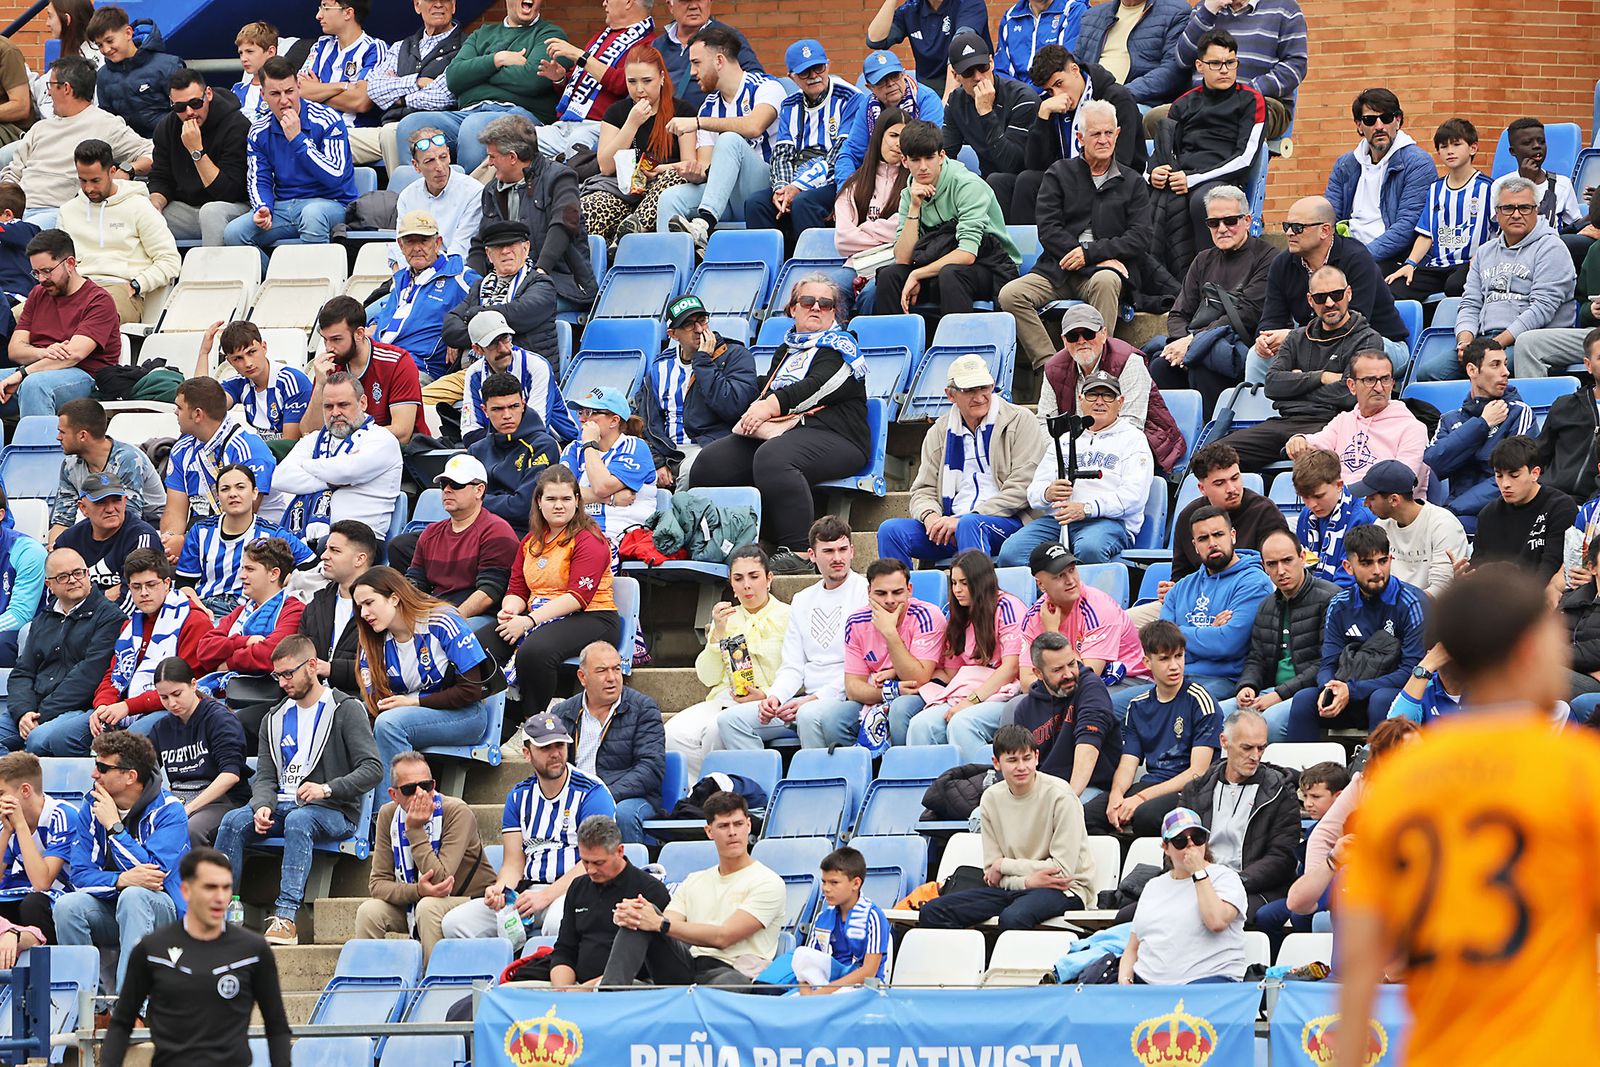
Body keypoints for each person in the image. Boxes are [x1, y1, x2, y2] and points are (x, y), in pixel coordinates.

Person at [1333, 567, 1600, 1067]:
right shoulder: (1575, 770)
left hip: (1444, 1051)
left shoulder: (1399, 780)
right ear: (1527, 650)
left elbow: (1362, 955)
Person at [215, 633, 383, 946]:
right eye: (277, 675)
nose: (282, 683)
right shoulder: (273, 717)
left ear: (311, 666)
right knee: (234, 821)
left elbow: (372, 770)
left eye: (288, 674)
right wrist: (262, 804)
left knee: (299, 820)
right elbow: (265, 776)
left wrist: (327, 789)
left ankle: (286, 917)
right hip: (284, 805)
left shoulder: (345, 709)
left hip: (333, 810)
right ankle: (220, 917)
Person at [690, 277, 870, 566]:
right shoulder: (787, 349)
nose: (816, 308)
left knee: (773, 458)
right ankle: (730, 540)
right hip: (787, 432)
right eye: (808, 302)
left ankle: (799, 551)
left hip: (838, 437)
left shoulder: (843, 349)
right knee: (712, 463)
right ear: (792, 309)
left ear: (834, 313)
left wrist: (769, 407)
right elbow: (764, 389)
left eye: (826, 304)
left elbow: (817, 386)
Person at [98, 847, 292, 1067]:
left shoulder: (254, 951)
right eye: (210, 888)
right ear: (187, 890)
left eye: (226, 887)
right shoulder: (152, 950)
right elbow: (122, 1024)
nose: (220, 897)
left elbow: (276, 1026)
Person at [441, 712, 616, 940]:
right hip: (528, 891)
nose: (555, 753)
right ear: (527, 753)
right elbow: (513, 862)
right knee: (455, 924)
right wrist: (500, 890)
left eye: (560, 745)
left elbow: (593, 863)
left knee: (558, 924)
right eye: (545, 747)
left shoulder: (592, 792)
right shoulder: (519, 796)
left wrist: (545, 897)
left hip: (578, 890)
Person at [29, 548, 219, 757]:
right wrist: (103, 706)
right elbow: (113, 674)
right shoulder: (130, 625)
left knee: (131, 742)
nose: (144, 593)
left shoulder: (193, 621)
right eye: (136, 587)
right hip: (124, 707)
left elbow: (185, 688)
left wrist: (128, 707)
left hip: (170, 708)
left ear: (166, 584)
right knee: (58, 739)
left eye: (151, 585)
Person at [998, 99, 1152, 354]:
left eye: (1108, 133)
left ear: (1118, 134)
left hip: (1101, 274)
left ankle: (1098, 366)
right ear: (1080, 137)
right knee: (1010, 294)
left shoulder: (1132, 181)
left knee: (1106, 281)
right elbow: (1048, 230)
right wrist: (1084, 256)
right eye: (1095, 134)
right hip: (1058, 269)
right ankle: (1050, 366)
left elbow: (1140, 237)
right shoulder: (1058, 173)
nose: (1103, 140)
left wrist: (1091, 255)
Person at [477, 465, 623, 725]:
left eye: (566, 499)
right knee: (479, 643)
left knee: (535, 651)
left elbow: (578, 596)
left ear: (577, 501)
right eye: (551, 499)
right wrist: (510, 610)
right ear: (539, 501)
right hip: (539, 615)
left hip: (592, 616)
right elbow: (517, 588)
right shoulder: (531, 541)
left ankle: (534, 721)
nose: (559, 506)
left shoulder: (590, 539)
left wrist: (528, 621)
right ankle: (497, 719)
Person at [599, 789, 785, 985]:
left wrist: (660, 924)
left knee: (730, 981)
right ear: (709, 832)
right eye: (723, 826)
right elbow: (664, 922)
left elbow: (724, 937)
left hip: (733, 970)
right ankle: (611, 993)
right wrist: (640, 916)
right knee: (641, 912)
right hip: (688, 965)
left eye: (738, 824)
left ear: (748, 826)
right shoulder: (695, 880)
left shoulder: (768, 882)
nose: (732, 832)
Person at [881, 353, 1045, 568]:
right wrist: (930, 517)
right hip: (951, 523)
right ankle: (903, 599)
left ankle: (979, 600)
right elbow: (923, 490)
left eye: (984, 388)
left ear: (993, 385)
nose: (979, 397)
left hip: (1007, 521)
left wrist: (966, 519)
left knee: (970, 524)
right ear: (950, 395)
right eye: (969, 390)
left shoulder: (1021, 420)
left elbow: (1023, 486)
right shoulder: (939, 431)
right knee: (890, 531)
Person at [920, 724, 1093, 929]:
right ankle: (977, 960)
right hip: (1014, 889)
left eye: (1027, 758)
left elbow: (1062, 872)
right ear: (997, 763)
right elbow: (991, 876)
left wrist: (1004, 866)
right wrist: (1026, 882)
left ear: (1037, 757)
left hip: (1066, 890)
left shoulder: (1061, 795)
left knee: (1013, 918)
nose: (1021, 767)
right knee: (932, 912)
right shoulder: (991, 799)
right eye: (1012, 760)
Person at [55, 730, 188, 992]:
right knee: (67, 906)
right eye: (96, 765)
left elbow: (154, 876)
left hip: (165, 913)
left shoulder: (170, 811)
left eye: (103, 768)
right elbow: (80, 875)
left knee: (135, 896)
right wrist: (119, 880)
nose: (94, 774)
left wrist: (115, 827)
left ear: (130, 776)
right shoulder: (92, 806)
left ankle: (132, 1006)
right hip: (113, 907)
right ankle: (92, 1006)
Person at [716, 517, 866, 748]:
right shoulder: (802, 599)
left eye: (842, 549)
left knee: (807, 716)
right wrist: (775, 697)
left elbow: (863, 667)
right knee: (731, 721)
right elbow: (793, 666)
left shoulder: (866, 592)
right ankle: (758, 783)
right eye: (828, 551)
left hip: (846, 697)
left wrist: (814, 699)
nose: (837, 558)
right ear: (812, 555)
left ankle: (815, 782)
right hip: (804, 700)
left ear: (852, 551)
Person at [1415, 175, 1578, 383]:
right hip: (1484, 340)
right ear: (1497, 214)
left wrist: (1496, 344)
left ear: (1536, 210)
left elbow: (1542, 309)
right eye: (1508, 208)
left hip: (1528, 343)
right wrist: (1465, 340)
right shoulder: (1484, 252)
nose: (1517, 214)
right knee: (1429, 373)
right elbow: (1470, 303)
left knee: (1488, 372)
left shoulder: (1551, 248)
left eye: (1525, 208)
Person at [1217, 265, 1381, 472]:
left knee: (1316, 465)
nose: (1330, 303)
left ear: (1348, 294)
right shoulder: (1296, 337)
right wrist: (1320, 377)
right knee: (1215, 457)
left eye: (1336, 295)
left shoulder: (1367, 339)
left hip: (1334, 423)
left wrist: (1296, 385)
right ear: (1311, 301)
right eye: (1321, 298)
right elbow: (1273, 385)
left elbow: (1350, 395)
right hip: (1285, 422)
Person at [351, 567, 497, 795]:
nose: (364, 613)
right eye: (359, 607)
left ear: (394, 598)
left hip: (465, 714)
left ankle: (397, 816)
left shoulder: (442, 621)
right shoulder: (372, 643)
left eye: (369, 602)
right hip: (407, 718)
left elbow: (471, 691)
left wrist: (415, 702)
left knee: (389, 725)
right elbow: (376, 703)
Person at [1283, 524, 1425, 741]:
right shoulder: (1339, 604)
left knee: (1380, 699)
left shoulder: (1410, 603)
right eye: (1367, 563)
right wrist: (1330, 688)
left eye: (1382, 561)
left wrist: (1354, 690)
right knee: (1304, 699)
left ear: (1391, 560)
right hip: (1349, 693)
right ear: (1348, 567)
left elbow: (1410, 671)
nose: (1377, 570)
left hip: (1391, 695)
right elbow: (1328, 663)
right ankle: (1300, 774)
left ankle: (1377, 771)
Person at [1001, 369, 1154, 568]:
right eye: (1092, 395)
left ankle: (1090, 599)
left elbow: (1133, 497)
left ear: (1121, 402)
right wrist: (1048, 493)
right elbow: (1033, 493)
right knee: (1011, 553)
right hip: (1059, 521)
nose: (1100, 401)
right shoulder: (1064, 440)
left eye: (1108, 395)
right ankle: (1046, 598)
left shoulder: (1134, 440)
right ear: (1081, 399)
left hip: (1107, 522)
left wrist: (1086, 509)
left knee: (1090, 549)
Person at [1146, 184, 1277, 412]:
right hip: (1195, 349)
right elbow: (1178, 314)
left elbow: (1245, 315)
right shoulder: (1203, 259)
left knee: (1203, 367)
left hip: (1238, 350)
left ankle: (1212, 439)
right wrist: (1185, 344)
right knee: (1160, 366)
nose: (1222, 228)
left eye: (1230, 221)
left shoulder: (1268, 257)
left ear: (1247, 220)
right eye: (1214, 223)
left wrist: (1193, 344)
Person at [1083, 620, 1219, 838]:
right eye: (1164, 659)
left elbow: (1198, 772)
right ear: (1147, 661)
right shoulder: (1138, 706)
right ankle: (1120, 860)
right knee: (1088, 816)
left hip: (1189, 791)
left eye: (1179, 656)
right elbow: (1128, 764)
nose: (1174, 666)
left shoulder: (1200, 700)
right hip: (1152, 784)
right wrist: (1116, 795)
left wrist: (1142, 798)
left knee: (1146, 815)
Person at [356, 750, 495, 963]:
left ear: (434, 785)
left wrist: (414, 830)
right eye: (410, 789)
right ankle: (371, 986)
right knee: (369, 912)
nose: (420, 794)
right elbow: (377, 884)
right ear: (394, 795)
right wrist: (417, 890)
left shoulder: (457, 811)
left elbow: (442, 880)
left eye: (426, 786)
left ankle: (431, 986)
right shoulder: (388, 814)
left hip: (469, 900)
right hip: (419, 898)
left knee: (428, 907)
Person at [395, 0, 567, 172]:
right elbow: (454, 77)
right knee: (411, 124)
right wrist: (496, 60)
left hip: (520, 115)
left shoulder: (550, 34)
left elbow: (532, 80)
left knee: (475, 126)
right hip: (468, 113)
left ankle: (470, 196)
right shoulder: (483, 33)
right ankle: (418, 195)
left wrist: (477, 73)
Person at [874, 119, 1020, 317]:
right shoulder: (909, 194)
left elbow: (967, 254)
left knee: (951, 273)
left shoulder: (967, 185)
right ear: (905, 162)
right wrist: (914, 207)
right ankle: (894, 344)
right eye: (916, 160)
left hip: (990, 266)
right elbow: (903, 258)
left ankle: (959, 346)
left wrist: (918, 274)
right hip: (939, 263)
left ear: (941, 156)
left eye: (929, 158)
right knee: (890, 276)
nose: (923, 167)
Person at [1253, 196, 1411, 378]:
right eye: (1286, 226)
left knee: (1349, 353)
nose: (1289, 233)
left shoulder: (1357, 259)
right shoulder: (1282, 264)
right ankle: (1261, 406)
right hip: (1314, 344)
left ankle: (1320, 403)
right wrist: (1265, 340)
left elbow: (1351, 325)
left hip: (1375, 343)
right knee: (1257, 357)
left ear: (1325, 230)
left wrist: (1294, 337)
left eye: (1298, 228)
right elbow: (1271, 317)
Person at [656, 26, 784, 249]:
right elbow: (707, 166)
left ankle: (703, 224)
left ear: (719, 60)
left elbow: (754, 126)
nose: (692, 72)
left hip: (765, 190)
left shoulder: (766, 86)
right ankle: (672, 270)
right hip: (725, 196)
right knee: (670, 198)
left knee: (730, 139)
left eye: (696, 63)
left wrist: (697, 123)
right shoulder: (709, 107)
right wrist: (696, 173)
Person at [667, 545, 789, 777]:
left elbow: (798, 672)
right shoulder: (726, 618)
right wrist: (717, 635)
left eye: (754, 576)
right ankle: (699, 791)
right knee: (673, 734)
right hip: (725, 698)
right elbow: (707, 677)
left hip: (772, 700)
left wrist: (766, 694)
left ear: (769, 578)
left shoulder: (789, 615)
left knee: (717, 729)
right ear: (731, 584)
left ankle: (728, 791)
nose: (747, 585)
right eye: (738, 578)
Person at [1148, 30, 1266, 268]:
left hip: (1224, 181)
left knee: (1204, 201)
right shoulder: (1183, 104)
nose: (1224, 69)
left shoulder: (1252, 101)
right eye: (1216, 63)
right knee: (1151, 201)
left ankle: (1211, 283)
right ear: (1200, 66)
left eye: (1230, 62)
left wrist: (1193, 179)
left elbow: (1245, 158)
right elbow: (1164, 150)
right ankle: (1163, 287)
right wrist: (1152, 174)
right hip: (1182, 179)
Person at [224, 56, 357, 261]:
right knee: (234, 234)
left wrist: (297, 140)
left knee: (313, 215)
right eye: (275, 94)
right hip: (284, 206)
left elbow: (335, 176)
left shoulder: (327, 120)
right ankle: (274, 283)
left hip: (332, 203)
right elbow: (259, 178)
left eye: (289, 91)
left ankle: (316, 286)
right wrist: (262, 207)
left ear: (298, 87)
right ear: (263, 95)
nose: (284, 100)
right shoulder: (259, 130)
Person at [737, 41, 860, 255]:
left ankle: (813, 267)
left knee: (804, 202)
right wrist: (781, 189)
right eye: (804, 72)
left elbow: (840, 155)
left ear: (828, 66)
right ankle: (773, 273)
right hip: (795, 179)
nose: (814, 76)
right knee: (755, 203)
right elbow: (782, 155)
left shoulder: (850, 98)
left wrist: (798, 187)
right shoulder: (790, 104)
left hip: (835, 179)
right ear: (792, 76)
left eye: (818, 68)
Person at [808, 557, 942, 752]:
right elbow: (853, 687)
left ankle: (897, 773)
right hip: (882, 694)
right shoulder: (856, 622)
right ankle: (860, 773)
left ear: (910, 590)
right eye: (881, 593)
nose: (889, 600)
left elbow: (918, 678)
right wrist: (889, 692)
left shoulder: (928, 615)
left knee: (900, 709)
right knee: (833, 719)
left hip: (921, 694)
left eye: (897, 592)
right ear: (869, 592)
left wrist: (890, 633)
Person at [1177, 708, 1300, 919]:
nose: (1255, 756)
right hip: (1198, 881)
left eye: (1261, 748)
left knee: (1203, 917)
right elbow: (1176, 844)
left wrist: (1232, 881)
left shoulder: (1280, 790)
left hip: (1252, 887)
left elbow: (1282, 857)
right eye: (1247, 748)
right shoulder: (1195, 790)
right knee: (1132, 915)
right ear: (1224, 742)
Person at [1034, 304, 1187, 471]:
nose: (1081, 341)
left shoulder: (1129, 361)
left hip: (1137, 443)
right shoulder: (1053, 368)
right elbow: (1044, 422)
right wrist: (1061, 454)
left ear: (1104, 334)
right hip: (1072, 451)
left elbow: (1131, 423)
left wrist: (1088, 455)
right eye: (1072, 336)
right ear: (1064, 341)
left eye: (1088, 333)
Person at [903, 552, 1026, 756]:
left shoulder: (1008, 607)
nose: (957, 590)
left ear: (981, 582)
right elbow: (953, 675)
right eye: (953, 583)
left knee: (961, 723)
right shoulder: (958, 615)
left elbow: (1011, 668)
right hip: (968, 693)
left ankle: (978, 785)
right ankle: (932, 787)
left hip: (1006, 694)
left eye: (964, 583)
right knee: (920, 725)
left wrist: (971, 701)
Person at [1, 547, 121, 755]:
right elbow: (23, 672)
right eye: (63, 576)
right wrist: (24, 712)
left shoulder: (110, 617)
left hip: (78, 708)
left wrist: (41, 714)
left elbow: (88, 676)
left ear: (88, 574)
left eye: (78, 573)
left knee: (38, 740)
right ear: (49, 584)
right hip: (33, 708)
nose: (73, 580)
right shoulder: (43, 619)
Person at [470, 114, 597, 310]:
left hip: (560, 283)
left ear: (512, 157)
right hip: (505, 284)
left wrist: (539, 272)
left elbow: (563, 226)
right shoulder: (492, 190)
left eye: (493, 156)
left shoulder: (560, 177)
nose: (489, 163)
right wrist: (473, 284)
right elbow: (481, 242)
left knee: (504, 314)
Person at [0, 56, 152, 218]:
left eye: (50, 85)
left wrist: (127, 170)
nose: (48, 93)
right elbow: (13, 174)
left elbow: (151, 152)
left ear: (66, 88)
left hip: (58, 213)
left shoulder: (106, 124)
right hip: (15, 213)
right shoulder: (40, 128)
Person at [1227, 527, 1338, 743]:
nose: (1281, 570)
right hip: (1269, 692)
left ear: (1302, 557)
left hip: (1308, 693)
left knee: (1271, 722)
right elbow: (1256, 658)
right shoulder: (1266, 606)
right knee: (1218, 714)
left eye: (1287, 560)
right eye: (1272, 564)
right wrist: (1247, 686)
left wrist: (1279, 695)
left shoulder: (1331, 598)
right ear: (1264, 567)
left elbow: (1327, 663)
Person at [578, 46, 697, 247]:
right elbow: (606, 166)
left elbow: (688, 163)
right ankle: (602, 252)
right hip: (622, 191)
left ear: (661, 78)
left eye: (647, 81)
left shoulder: (682, 111)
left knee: (674, 177)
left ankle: (621, 242)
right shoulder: (617, 112)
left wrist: (660, 169)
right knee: (588, 208)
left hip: (660, 191)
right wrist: (632, 124)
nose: (639, 89)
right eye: (632, 82)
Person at [638, 294, 758, 487]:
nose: (699, 329)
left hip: (712, 448)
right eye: (688, 324)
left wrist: (703, 362)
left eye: (702, 320)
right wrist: (657, 461)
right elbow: (647, 422)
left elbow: (733, 407)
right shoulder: (659, 368)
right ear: (673, 334)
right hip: (668, 451)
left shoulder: (736, 356)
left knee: (690, 470)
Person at [551, 641, 665, 844]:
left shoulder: (643, 708)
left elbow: (650, 768)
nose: (612, 678)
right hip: (577, 796)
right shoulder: (563, 713)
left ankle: (632, 873)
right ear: (582, 677)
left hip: (629, 797)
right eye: (602, 671)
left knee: (624, 814)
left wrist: (603, 795)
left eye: (616, 669)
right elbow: (555, 766)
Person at [194, 537, 309, 738]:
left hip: (263, 701)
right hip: (222, 695)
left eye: (250, 569)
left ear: (274, 574)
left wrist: (228, 663)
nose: (241, 576)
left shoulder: (293, 608)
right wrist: (243, 641)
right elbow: (204, 649)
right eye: (242, 569)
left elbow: (272, 654)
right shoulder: (240, 611)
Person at [1118, 806, 1247, 984]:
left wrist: (1198, 873)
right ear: (1165, 847)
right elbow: (1133, 947)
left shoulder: (1225, 877)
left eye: (1197, 837)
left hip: (1208, 983)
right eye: (1180, 841)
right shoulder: (1154, 886)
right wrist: (1125, 980)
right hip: (1147, 986)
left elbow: (1216, 922)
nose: (1191, 844)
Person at [0, 229, 121, 417]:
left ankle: (39, 446)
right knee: (33, 382)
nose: (41, 279)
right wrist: (42, 352)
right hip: (39, 368)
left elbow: (73, 355)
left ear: (70, 263)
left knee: (35, 385)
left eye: (47, 271)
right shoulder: (37, 294)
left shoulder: (98, 300)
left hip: (86, 376)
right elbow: (15, 350)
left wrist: (22, 374)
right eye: (36, 272)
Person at [1158, 505, 1275, 700]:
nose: (1212, 543)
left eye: (1218, 535)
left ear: (1233, 536)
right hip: (1176, 677)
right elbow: (1163, 643)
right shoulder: (1181, 588)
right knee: (1110, 705)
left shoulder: (1254, 582)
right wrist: (1211, 632)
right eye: (1203, 539)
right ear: (1195, 546)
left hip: (1224, 680)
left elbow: (1227, 643)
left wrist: (1178, 632)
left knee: (1178, 706)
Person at [275, 371, 405, 546]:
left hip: (361, 541)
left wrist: (304, 465)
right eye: (328, 406)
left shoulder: (382, 439)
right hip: (309, 536)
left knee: (322, 547)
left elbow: (347, 471)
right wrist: (330, 480)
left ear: (363, 403)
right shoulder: (313, 439)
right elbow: (280, 478)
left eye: (343, 405)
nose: (335, 413)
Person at [1019, 542, 1150, 711]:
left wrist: (1053, 633)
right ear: (1041, 585)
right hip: (1066, 687)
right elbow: (1026, 681)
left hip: (1129, 680)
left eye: (1072, 570)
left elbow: (1086, 677)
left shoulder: (1100, 608)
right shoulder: (1034, 617)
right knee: (1016, 708)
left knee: (1078, 709)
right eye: (1059, 576)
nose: (1070, 581)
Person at [544, 814, 672, 987]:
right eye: (585, 862)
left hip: (628, 983)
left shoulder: (650, 891)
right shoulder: (578, 886)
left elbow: (649, 960)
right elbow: (565, 948)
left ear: (620, 851)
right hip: (575, 984)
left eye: (598, 863)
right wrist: (563, 990)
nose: (590, 870)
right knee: (510, 991)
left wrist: (586, 989)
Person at [438, 215, 562, 388]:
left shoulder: (541, 283)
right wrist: (483, 329)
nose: (505, 251)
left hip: (519, 374)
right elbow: (450, 327)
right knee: (418, 401)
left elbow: (516, 315)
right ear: (489, 254)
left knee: (420, 401)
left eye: (511, 245)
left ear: (526, 249)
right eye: (498, 247)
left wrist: (474, 317)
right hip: (473, 372)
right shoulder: (480, 285)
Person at [159, 377, 277, 555]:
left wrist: (186, 542)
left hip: (251, 543)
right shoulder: (181, 449)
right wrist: (171, 542)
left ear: (198, 414)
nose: (176, 412)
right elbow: (174, 510)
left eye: (180, 408)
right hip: (198, 536)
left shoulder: (249, 448)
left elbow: (242, 516)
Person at [1324, 89, 1437, 273]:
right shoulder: (1345, 164)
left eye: (1386, 118)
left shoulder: (1417, 163)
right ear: (1359, 126)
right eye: (1370, 120)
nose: (1379, 126)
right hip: (1348, 255)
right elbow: (1328, 217)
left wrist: (1358, 258)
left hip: (1395, 259)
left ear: (1398, 121)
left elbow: (1407, 226)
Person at [397, 456, 521, 622]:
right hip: (436, 612)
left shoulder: (496, 531)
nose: (447, 490)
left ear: (479, 490)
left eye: (456, 484)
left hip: (478, 617)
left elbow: (489, 591)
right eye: (443, 484)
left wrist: (449, 620)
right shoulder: (430, 533)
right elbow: (415, 582)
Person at [1425, 339, 1535, 526]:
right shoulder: (1449, 420)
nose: (1506, 372)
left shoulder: (1519, 413)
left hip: (1504, 515)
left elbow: (1515, 475)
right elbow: (1433, 463)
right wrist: (1482, 424)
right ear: (1472, 370)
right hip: (1457, 518)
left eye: (1505, 364)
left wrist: (1452, 510)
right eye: (1495, 365)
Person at [1385, 118, 1495, 304]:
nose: (1449, 151)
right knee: (1393, 288)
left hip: (1470, 265)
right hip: (1437, 267)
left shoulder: (1488, 188)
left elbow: (1500, 233)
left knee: (1454, 286)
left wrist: (1484, 256)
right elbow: (1426, 234)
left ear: (1473, 148)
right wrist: (1410, 264)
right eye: (1443, 147)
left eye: (1456, 144)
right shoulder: (1435, 188)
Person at [175, 465, 311, 614]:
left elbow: (312, 566)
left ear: (254, 493)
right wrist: (199, 611)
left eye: (240, 487)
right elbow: (184, 582)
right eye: (225, 489)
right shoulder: (201, 530)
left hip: (247, 611)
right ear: (218, 497)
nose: (233, 494)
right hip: (203, 607)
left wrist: (285, 579)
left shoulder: (272, 534)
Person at [1285, 351, 1427, 490]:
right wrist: (1299, 440)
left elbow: (1403, 482)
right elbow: (1315, 444)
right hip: (1342, 503)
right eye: (1370, 380)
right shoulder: (1343, 421)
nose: (1379, 388)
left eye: (1385, 379)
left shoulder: (1412, 427)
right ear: (1352, 386)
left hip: (1386, 507)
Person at [146, 658, 251, 847]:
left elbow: (230, 775)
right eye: (164, 698)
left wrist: (188, 809)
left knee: (189, 829)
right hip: (181, 799)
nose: (172, 703)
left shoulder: (219, 719)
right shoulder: (162, 728)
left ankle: (199, 877)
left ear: (194, 685)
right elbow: (145, 773)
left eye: (177, 694)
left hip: (223, 801)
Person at [759, 844, 888, 993]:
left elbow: (869, 971)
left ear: (856, 883)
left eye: (834, 883)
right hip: (825, 986)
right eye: (824, 882)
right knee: (799, 954)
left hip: (863, 990)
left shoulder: (873, 916)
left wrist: (823, 992)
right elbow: (807, 964)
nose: (826, 888)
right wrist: (807, 994)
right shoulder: (823, 917)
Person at [1008, 632, 1122, 800]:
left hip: (1089, 787)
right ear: (1038, 673)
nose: (1068, 674)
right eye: (1058, 669)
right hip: (1045, 789)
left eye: (1071, 664)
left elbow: (1089, 742)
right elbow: (1024, 763)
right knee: (980, 816)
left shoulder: (1091, 687)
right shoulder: (1025, 709)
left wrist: (1068, 798)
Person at [368, 210, 479, 383]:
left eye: (424, 240)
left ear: (437, 243)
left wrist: (459, 333)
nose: (417, 248)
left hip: (417, 369)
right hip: (378, 362)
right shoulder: (400, 279)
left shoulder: (459, 275)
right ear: (401, 246)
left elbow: (489, 301)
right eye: (410, 241)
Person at [146, 68, 251, 248]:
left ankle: (212, 274)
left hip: (234, 208)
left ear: (208, 94)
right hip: (187, 209)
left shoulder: (236, 125)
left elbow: (229, 192)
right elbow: (161, 178)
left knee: (211, 213)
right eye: (179, 107)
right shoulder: (166, 127)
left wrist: (197, 151)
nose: (189, 112)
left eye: (195, 103)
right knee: (140, 213)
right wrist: (155, 204)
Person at [302, 297, 429, 444]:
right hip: (345, 456)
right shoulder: (329, 367)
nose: (329, 347)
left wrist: (349, 440)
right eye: (325, 340)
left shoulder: (397, 362)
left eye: (336, 339)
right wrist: (320, 386)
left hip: (402, 457)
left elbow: (402, 432)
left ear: (359, 334)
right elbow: (308, 433)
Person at [1170, 0, 1303, 140]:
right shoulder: (1204, 8)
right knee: (1157, 119)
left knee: (1222, 119)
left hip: (1262, 101)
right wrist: (1208, 11)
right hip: (1204, 99)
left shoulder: (1285, 9)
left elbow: (1295, 66)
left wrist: (1243, 93)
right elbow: (1183, 59)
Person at [447, 306, 576, 449]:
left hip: (557, 445)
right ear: (477, 349)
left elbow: (536, 429)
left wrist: (492, 441)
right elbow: (470, 434)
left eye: (505, 338)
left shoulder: (536, 367)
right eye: (493, 343)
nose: (503, 349)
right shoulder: (474, 374)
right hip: (500, 449)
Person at [1165, 444, 1288, 589]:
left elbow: (1277, 571)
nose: (1231, 489)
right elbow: (1181, 575)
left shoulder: (1265, 511)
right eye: (1219, 483)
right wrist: (1172, 590)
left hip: (1249, 594)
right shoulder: (1188, 517)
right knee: (1136, 612)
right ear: (1202, 488)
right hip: (1197, 601)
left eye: (1235, 478)